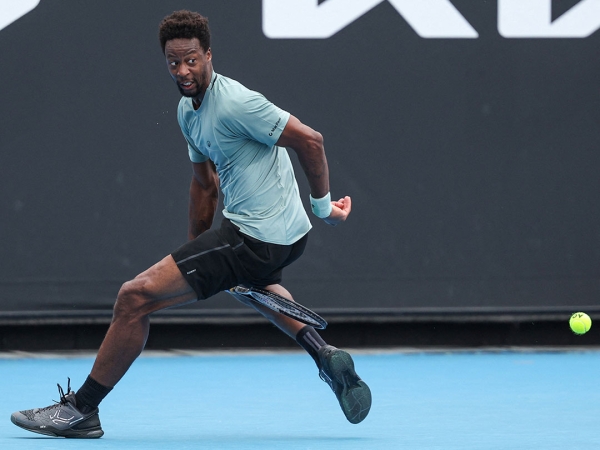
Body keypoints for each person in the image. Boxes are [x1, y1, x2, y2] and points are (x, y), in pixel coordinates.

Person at [10, 10, 371, 438]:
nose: (183, 70)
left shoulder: (236, 102)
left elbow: (310, 140)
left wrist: (324, 208)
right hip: (280, 239)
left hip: (257, 236)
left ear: (209, 56)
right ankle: (323, 353)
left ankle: (80, 411)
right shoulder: (188, 112)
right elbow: (204, 185)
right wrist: (196, 253)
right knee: (253, 284)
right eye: (173, 62)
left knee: (133, 298)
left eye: (192, 60)